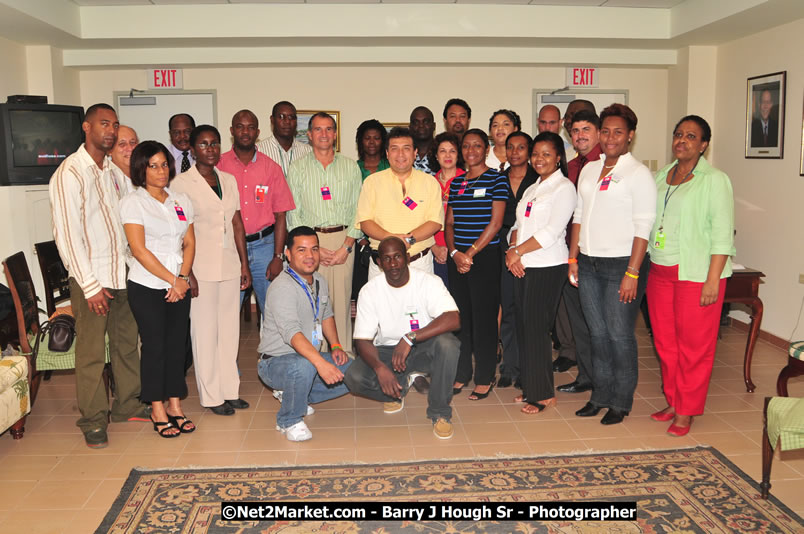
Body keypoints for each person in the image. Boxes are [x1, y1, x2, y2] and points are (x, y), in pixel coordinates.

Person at [49, 103, 147, 449]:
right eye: (104, 124)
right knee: (91, 352)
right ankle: (92, 419)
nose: (111, 130)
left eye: (115, 124)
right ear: (86, 128)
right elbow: (68, 235)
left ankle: (127, 405)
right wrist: (90, 287)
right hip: (93, 279)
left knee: (125, 346)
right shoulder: (70, 173)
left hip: (121, 274)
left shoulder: (109, 170)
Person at [568, 103, 657, 425]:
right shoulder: (591, 170)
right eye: (605, 131)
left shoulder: (638, 174)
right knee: (597, 334)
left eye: (618, 132)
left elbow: (643, 226)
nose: (610, 137)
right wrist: (573, 257)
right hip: (588, 263)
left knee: (619, 335)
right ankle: (600, 396)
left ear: (630, 136)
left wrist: (633, 272)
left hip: (622, 265)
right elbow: (578, 216)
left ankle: (621, 401)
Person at [647, 115, 735, 437]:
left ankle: (686, 411)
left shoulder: (714, 180)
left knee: (694, 346)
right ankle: (674, 400)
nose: (682, 140)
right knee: (666, 344)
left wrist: (713, 279)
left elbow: (723, 235)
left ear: (703, 145)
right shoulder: (660, 177)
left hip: (696, 274)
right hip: (659, 272)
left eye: (691, 136)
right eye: (679, 134)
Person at [171, 125, 252, 416]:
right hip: (200, 267)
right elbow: (180, 231)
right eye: (204, 144)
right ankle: (211, 395)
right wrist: (186, 271)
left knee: (230, 331)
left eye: (215, 144)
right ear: (192, 150)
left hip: (230, 264)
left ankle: (230, 390)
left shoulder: (228, 180)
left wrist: (244, 263)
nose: (211, 149)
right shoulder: (181, 184)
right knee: (204, 332)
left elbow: (237, 223)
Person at [344, 237, 460, 439]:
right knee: (353, 377)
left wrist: (410, 337)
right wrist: (380, 368)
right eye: (386, 259)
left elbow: (453, 319)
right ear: (379, 263)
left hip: (422, 346)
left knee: (448, 344)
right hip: (388, 350)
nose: (393, 264)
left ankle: (440, 412)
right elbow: (362, 340)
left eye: (397, 257)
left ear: (407, 258)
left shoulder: (428, 282)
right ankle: (399, 387)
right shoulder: (370, 290)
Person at [121, 141, 196, 438]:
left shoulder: (181, 200)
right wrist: (172, 279)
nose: (161, 170)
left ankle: (175, 405)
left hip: (179, 282)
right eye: (153, 165)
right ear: (141, 169)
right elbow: (139, 250)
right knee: (155, 347)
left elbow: (190, 242)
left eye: (164, 164)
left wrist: (183, 277)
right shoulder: (132, 202)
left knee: (178, 345)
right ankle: (157, 408)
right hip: (147, 284)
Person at [257, 226, 352, 442]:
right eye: (301, 250)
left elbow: (326, 314)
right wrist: (320, 363)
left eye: (314, 249)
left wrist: (336, 346)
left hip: (305, 359)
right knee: (306, 365)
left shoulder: (319, 280)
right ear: (288, 254)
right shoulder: (283, 287)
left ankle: (293, 395)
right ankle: (289, 419)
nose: (309, 256)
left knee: (351, 370)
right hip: (275, 363)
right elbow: (293, 333)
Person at [505, 132, 576, 414]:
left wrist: (517, 252)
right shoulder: (533, 187)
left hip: (547, 266)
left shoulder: (564, 188)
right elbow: (517, 225)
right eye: (536, 154)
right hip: (524, 264)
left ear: (559, 157)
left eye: (547, 154)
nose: (539, 159)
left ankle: (544, 394)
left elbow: (552, 231)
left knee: (537, 330)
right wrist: (513, 252)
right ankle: (531, 387)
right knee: (525, 328)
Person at [286, 112, 362, 353]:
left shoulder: (350, 167)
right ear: (309, 135)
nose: (324, 134)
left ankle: (344, 354)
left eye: (329, 129)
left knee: (340, 303)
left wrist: (346, 246)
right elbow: (292, 212)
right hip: (309, 242)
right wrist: (312, 249)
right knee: (312, 303)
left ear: (335, 135)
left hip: (343, 241)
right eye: (318, 129)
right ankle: (316, 357)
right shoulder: (297, 168)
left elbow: (359, 211)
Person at [446, 128, 508, 401]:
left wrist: (469, 253)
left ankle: (484, 376)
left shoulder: (497, 180)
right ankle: (462, 374)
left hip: (483, 259)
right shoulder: (457, 183)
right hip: (458, 259)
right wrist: (454, 252)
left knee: (484, 319)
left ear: (486, 149)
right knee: (461, 319)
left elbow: (495, 224)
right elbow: (449, 222)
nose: (471, 151)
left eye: (477, 146)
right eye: (467, 146)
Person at [217, 109, 295, 315]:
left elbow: (281, 216)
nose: (245, 132)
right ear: (232, 130)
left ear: (257, 132)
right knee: (227, 310)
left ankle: (272, 349)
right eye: (240, 127)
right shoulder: (218, 165)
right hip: (230, 248)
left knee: (273, 310)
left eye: (251, 127)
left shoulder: (271, 168)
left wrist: (278, 256)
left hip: (264, 247)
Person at [554, 109, 601, 390]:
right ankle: (586, 376)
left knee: (597, 321)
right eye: (575, 131)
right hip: (572, 251)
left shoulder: (607, 166)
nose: (580, 136)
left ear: (598, 132)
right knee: (579, 320)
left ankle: (601, 378)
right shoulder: (571, 167)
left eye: (586, 130)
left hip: (597, 253)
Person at [356, 127, 443, 280]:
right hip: (381, 265)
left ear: (415, 152)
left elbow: (435, 222)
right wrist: (393, 241)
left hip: (419, 263)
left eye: (406, 148)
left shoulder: (430, 182)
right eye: (395, 149)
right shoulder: (372, 182)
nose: (401, 154)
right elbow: (365, 222)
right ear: (387, 153)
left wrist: (408, 240)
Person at [497, 131, 539, 390]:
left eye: (521, 147)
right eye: (510, 147)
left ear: (529, 151)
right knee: (509, 308)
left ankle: (528, 368)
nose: (514, 152)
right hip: (504, 251)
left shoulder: (540, 180)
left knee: (529, 313)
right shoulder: (498, 179)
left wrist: (520, 250)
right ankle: (509, 366)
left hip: (533, 252)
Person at [353, 120, 390, 300]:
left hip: (389, 236)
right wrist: (361, 240)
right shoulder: (353, 169)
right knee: (365, 293)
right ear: (360, 141)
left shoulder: (391, 168)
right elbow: (351, 205)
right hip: (359, 240)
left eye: (376, 138)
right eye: (367, 138)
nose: (372, 142)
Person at [430, 132, 465, 286]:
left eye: (452, 150)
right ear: (436, 156)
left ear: (459, 155)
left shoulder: (467, 180)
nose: (447, 155)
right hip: (434, 248)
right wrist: (434, 247)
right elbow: (420, 219)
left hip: (461, 248)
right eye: (442, 151)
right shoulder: (428, 183)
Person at [256, 101, 312, 177]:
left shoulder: (308, 152)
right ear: (272, 120)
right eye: (281, 117)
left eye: (291, 117)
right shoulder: (258, 150)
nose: (287, 121)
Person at [109, 124, 138, 193]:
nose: (130, 148)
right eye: (122, 144)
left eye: (132, 143)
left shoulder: (148, 173)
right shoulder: (105, 179)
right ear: (109, 150)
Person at [409, 106, 437, 175]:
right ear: (410, 127)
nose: (421, 125)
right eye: (416, 122)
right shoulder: (404, 154)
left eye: (426, 122)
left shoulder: (442, 153)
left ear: (434, 126)